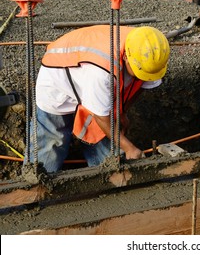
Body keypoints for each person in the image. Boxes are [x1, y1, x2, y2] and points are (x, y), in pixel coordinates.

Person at [24, 25, 170, 172]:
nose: (142, 76)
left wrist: (122, 111)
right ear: (126, 57)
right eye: (140, 72)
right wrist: (129, 148)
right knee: (53, 141)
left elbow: (142, 85)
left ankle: (108, 178)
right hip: (58, 79)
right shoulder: (102, 72)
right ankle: (36, 186)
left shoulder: (151, 54)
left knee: (105, 141)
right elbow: (102, 118)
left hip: (94, 83)